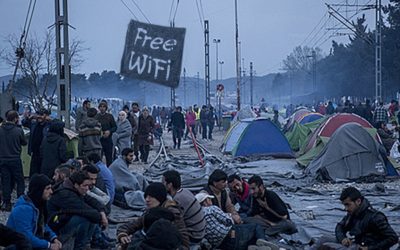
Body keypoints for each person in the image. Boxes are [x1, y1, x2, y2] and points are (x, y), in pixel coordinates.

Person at [311, 187, 398, 250]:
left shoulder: (375, 217)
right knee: (324, 239)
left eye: (348, 205)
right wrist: (343, 239)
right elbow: (340, 227)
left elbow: (393, 238)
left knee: (327, 246)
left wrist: (369, 248)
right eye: (344, 205)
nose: (346, 208)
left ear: (358, 201)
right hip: (356, 243)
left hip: (366, 247)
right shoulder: (352, 213)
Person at [117, 182, 190, 249]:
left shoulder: (171, 213)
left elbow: (184, 240)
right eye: (146, 196)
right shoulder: (152, 212)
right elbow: (133, 224)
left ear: (159, 197)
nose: (147, 200)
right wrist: (122, 235)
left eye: (151, 197)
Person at [47, 171, 108, 250]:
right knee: (85, 217)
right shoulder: (65, 194)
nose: (87, 188)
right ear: (76, 185)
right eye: (85, 185)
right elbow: (86, 210)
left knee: (91, 215)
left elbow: (93, 201)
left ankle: (86, 243)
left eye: (88, 186)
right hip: (55, 225)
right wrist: (101, 217)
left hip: (64, 220)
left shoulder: (74, 188)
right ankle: (80, 246)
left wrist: (102, 213)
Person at [195, 193, 271, 250]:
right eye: (209, 199)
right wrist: (234, 218)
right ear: (205, 202)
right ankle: (262, 241)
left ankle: (252, 247)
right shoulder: (211, 209)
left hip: (220, 245)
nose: (211, 201)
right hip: (230, 236)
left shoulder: (196, 217)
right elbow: (228, 220)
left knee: (244, 236)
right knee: (255, 226)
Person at [7, 174, 62, 250]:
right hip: (19, 245)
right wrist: (49, 245)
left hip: (31, 242)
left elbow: (43, 225)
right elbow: (26, 237)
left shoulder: (38, 203)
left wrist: (54, 238)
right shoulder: (23, 209)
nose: (51, 191)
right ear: (38, 190)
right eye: (47, 188)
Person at [162, 170, 205, 244]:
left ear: (170, 185)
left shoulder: (178, 199)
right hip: (200, 232)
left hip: (193, 236)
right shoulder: (185, 191)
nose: (162, 185)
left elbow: (175, 220)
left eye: (163, 182)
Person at [0, 110, 27, 211]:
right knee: (19, 180)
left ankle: (6, 203)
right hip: (15, 159)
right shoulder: (18, 130)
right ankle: (20, 201)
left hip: (2, 159)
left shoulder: (0, 129)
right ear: (15, 119)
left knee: (5, 181)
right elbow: (24, 142)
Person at [22, 108, 51, 177]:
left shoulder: (49, 125)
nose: (39, 117)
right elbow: (24, 123)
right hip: (35, 152)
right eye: (38, 114)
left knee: (43, 173)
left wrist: (49, 119)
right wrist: (28, 118)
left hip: (45, 153)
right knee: (33, 173)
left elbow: (59, 124)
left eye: (41, 115)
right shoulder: (34, 124)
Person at [95, 100, 117, 166]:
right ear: (99, 108)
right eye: (101, 106)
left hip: (108, 140)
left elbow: (115, 127)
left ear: (106, 108)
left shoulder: (110, 116)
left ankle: (110, 172)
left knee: (109, 158)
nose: (102, 108)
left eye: (104, 106)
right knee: (98, 158)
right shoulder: (96, 117)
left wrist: (109, 131)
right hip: (99, 140)